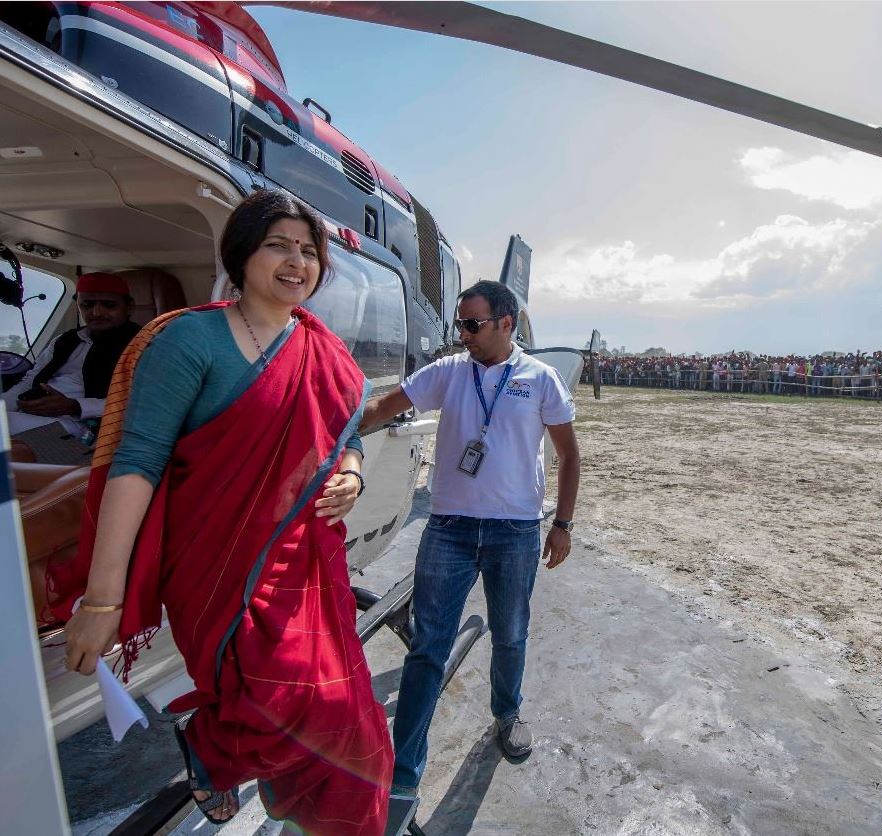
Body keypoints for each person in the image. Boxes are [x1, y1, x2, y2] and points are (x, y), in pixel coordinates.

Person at [58, 190, 392, 834]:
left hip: (302, 562)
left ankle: (240, 769)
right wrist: (102, 601)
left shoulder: (327, 355)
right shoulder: (190, 340)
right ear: (240, 255)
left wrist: (350, 470)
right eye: (278, 245)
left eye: (308, 251)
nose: (297, 262)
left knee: (350, 726)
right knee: (293, 703)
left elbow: (345, 434)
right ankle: (217, 750)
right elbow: (137, 463)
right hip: (215, 567)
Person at [360, 279, 580, 795]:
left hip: (516, 533)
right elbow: (383, 408)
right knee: (427, 649)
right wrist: (335, 429)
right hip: (450, 531)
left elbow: (570, 456)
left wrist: (562, 524)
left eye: (472, 325)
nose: (463, 335)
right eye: (459, 324)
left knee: (510, 634)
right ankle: (404, 769)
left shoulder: (540, 379)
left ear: (507, 324)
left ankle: (507, 713)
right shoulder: (448, 373)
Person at [3, 272, 140, 453]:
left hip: (86, 427)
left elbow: (142, 403)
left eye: (109, 305)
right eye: (87, 305)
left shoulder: (142, 345)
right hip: (34, 416)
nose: (96, 312)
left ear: (129, 307)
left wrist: (76, 406)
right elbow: (30, 380)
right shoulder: (65, 340)